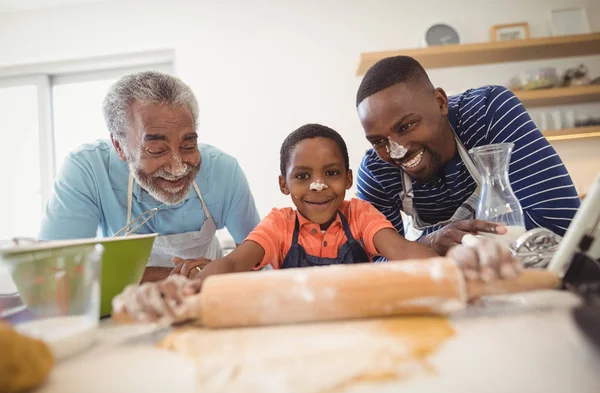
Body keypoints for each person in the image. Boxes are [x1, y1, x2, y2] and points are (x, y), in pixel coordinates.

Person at [112, 124, 520, 322]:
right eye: (303, 176)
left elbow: (403, 252)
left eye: (331, 173)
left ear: (348, 178)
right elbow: (234, 265)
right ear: (284, 184)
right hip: (295, 326)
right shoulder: (278, 224)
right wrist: (184, 288)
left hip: (363, 323)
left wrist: (459, 265)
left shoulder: (359, 215)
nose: (318, 186)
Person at [39, 71, 260, 282]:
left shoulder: (224, 172)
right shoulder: (87, 170)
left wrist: (216, 273)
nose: (178, 168)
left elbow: (259, 262)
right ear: (120, 146)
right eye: (156, 150)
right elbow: (54, 271)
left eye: (188, 145)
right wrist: (176, 276)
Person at [355, 56, 580, 256]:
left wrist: (428, 248)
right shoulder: (376, 171)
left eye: (406, 127)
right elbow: (370, 265)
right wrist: (430, 243)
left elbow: (558, 220)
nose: (397, 150)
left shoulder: (487, 112)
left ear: (440, 103)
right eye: (378, 141)